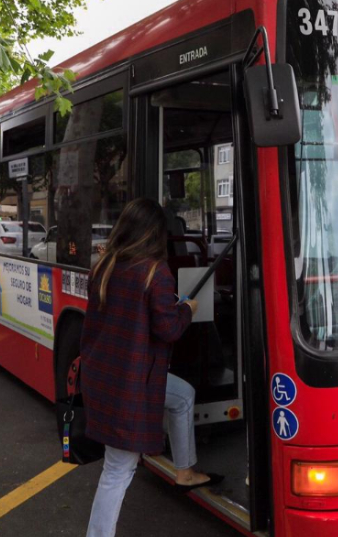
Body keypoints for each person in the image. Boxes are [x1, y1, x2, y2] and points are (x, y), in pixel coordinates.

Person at [80, 198, 219, 537]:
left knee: (182, 395)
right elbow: (168, 329)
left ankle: (184, 470)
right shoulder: (155, 272)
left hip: (108, 377)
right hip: (132, 385)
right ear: (155, 233)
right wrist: (187, 308)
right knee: (117, 470)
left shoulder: (105, 265)